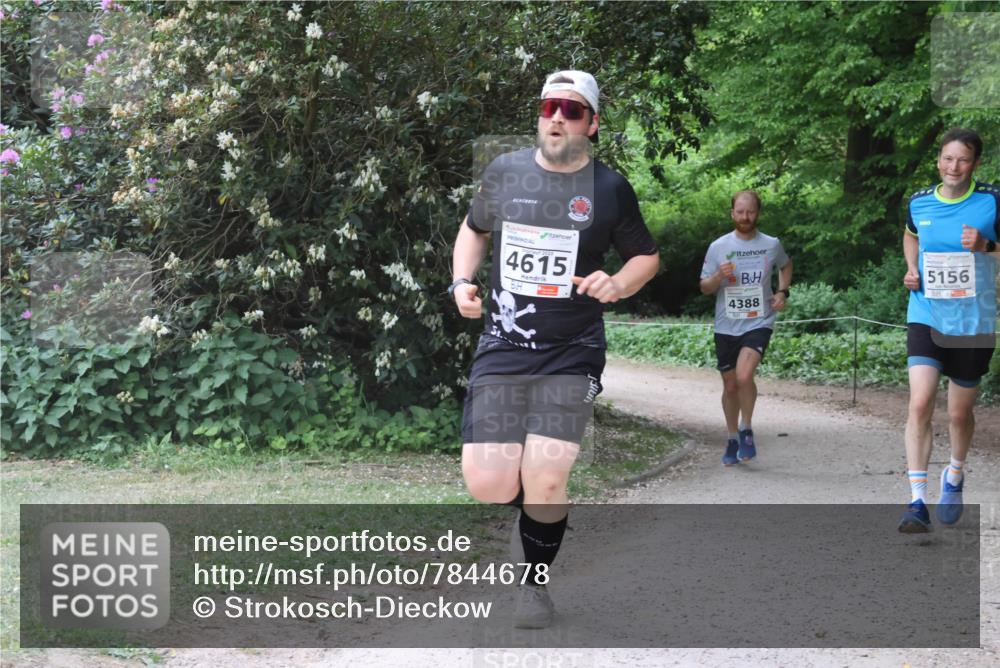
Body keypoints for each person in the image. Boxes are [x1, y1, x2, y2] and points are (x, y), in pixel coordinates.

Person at [450, 70, 659, 628]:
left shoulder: (610, 190)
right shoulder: (505, 171)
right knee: (490, 482)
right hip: (504, 343)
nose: (557, 118)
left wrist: (619, 282)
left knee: (545, 474)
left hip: (573, 349)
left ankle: (534, 583)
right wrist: (460, 282)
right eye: (549, 108)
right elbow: (473, 229)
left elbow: (646, 256)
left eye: (570, 109)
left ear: (592, 123)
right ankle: (541, 514)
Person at [897, 127, 998, 533]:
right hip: (927, 313)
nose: (953, 166)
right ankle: (917, 501)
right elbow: (910, 236)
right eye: (947, 158)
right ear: (938, 160)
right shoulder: (920, 202)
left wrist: (986, 247)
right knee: (919, 403)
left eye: (963, 159)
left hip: (974, 322)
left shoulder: (992, 201)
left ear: (975, 163)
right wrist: (911, 268)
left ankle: (954, 475)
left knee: (959, 413)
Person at [699, 191, 793, 466]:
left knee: (743, 376)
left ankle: (747, 429)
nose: (745, 217)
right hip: (726, 324)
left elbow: (785, 266)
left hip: (759, 320)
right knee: (730, 386)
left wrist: (782, 292)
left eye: (750, 211)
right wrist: (718, 276)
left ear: (758, 213)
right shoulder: (718, 247)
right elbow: (704, 287)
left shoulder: (771, 244)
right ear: (732, 214)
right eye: (740, 211)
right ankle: (731, 438)